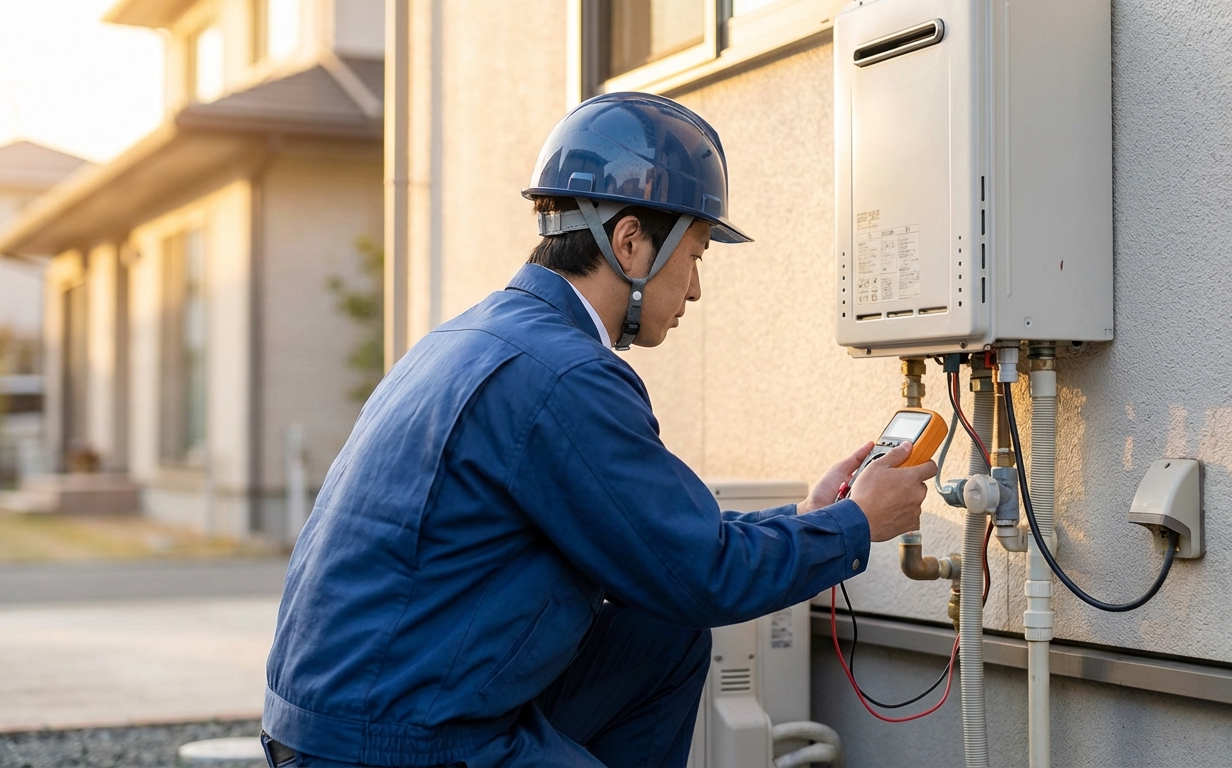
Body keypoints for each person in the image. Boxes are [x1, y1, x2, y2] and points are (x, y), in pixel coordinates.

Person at [261, 92, 936, 768]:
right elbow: (703, 573)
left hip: (360, 711)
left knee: (663, 634)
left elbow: (663, 543)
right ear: (630, 241)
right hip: (393, 740)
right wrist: (855, 525)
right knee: (680, 608)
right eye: (696, 254)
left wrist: (811, 515)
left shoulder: (479, 338)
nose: (697, 288)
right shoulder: (563, 375)